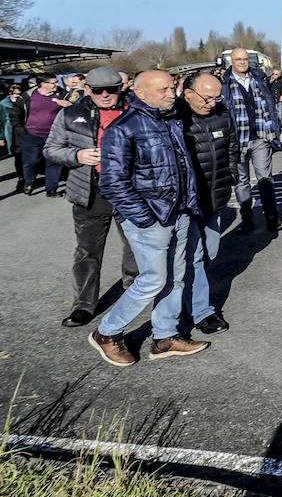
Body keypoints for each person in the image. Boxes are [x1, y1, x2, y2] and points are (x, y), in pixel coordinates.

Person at [88, 70, 208, 366]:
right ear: (140, 94)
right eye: (164, 89)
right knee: (153, 280)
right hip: (151, 219)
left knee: (176, 278)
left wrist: (188, 203)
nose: (172, 94)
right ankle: (107, 332)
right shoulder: (123, 128)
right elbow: (112, 182)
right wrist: (144, 218)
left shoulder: (170, 120)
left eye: (172, 88)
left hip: (179, 212)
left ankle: (165, 336)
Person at [43, 66, 138, 328]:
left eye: (112, 90)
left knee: (135, 248)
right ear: (87, 90)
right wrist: (77, 156)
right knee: (87, 251)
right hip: (90, 191)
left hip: (129, 191)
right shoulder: (70, 114)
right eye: (98, 90)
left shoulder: (137, 112)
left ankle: (134, 295)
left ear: (122, 88)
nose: (105, 95)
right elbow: (51, 149)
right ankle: (83, 305)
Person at [176, 71, 241, 336]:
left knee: (209, 253)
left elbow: (231, 148)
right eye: (206, 97)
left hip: (216, 198)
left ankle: (187, 298)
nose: (211, 103)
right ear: (188, 93)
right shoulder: (175, 118)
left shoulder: (222, 114)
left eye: (216, 97)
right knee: (195, 256)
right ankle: (202, 311)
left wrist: (232, 173)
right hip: (188, 202)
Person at [222, 48, 282, 233]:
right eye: (238, 59)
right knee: (242, 182)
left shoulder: (258, 79)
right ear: (231, 61)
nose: (242, 62)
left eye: (245, 59)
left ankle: (273, 219)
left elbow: (270, 106)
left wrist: (274, 129)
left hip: (260, 138)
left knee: (265, 178)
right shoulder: (225, 84)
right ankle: (247, 221)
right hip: (237, 140)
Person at [23, 72, 71, 196]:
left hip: (54, 136)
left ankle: (51, 189)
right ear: (43, 84)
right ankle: (29, 182)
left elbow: (74, 111)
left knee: (53, 162)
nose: (57, 84)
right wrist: (20, 131)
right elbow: (15, 115)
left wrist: (68, 106)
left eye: (56, 82)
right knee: (31, 161)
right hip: (32, 135)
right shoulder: (28, 96)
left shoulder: (62, 95)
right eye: (53, 82)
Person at [5, 82, 27, 189]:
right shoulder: (3, 104)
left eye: (19, 94)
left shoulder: (24, 102)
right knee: (18, 155)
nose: (16, 96)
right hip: (10, 132)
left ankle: (27, 176)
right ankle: (21, 178)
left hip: (23, 131)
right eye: (14, 94)